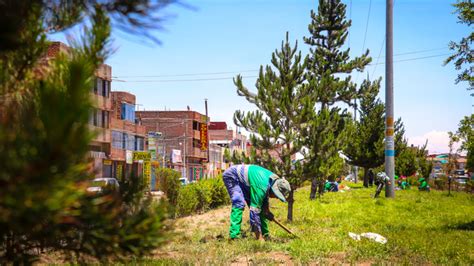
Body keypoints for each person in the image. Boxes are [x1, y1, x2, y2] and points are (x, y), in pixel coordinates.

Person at [222, 164, 291, 241]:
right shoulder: (261, 187)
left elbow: (264, 203)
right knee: (239, 202)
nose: (276, 197)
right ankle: (234, 236)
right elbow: (254, 212)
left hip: (249, 182)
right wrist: (259, 238)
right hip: (233, 176)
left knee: (261, 208)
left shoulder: (274, 180)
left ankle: (265, 235)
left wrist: (267, 211)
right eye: (276, 195)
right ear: (273, 189)